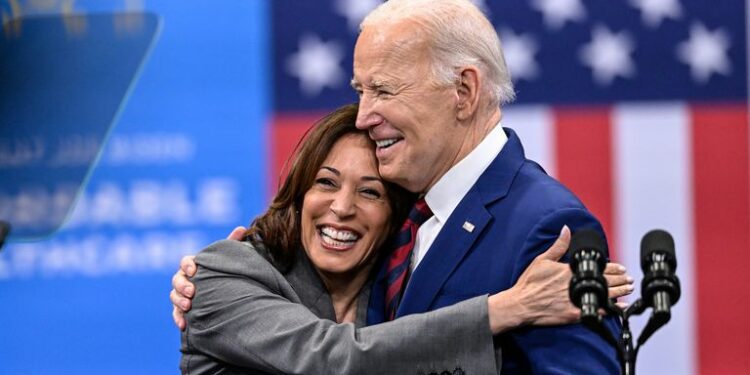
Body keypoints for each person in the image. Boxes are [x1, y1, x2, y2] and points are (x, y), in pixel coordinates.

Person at [175, 0, 631, 372]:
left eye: (384, 91)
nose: (363, 115)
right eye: (360, 90)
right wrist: (228, 272)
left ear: (464, 91)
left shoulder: (544, 225)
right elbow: (338, 350)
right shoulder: (403, 222)